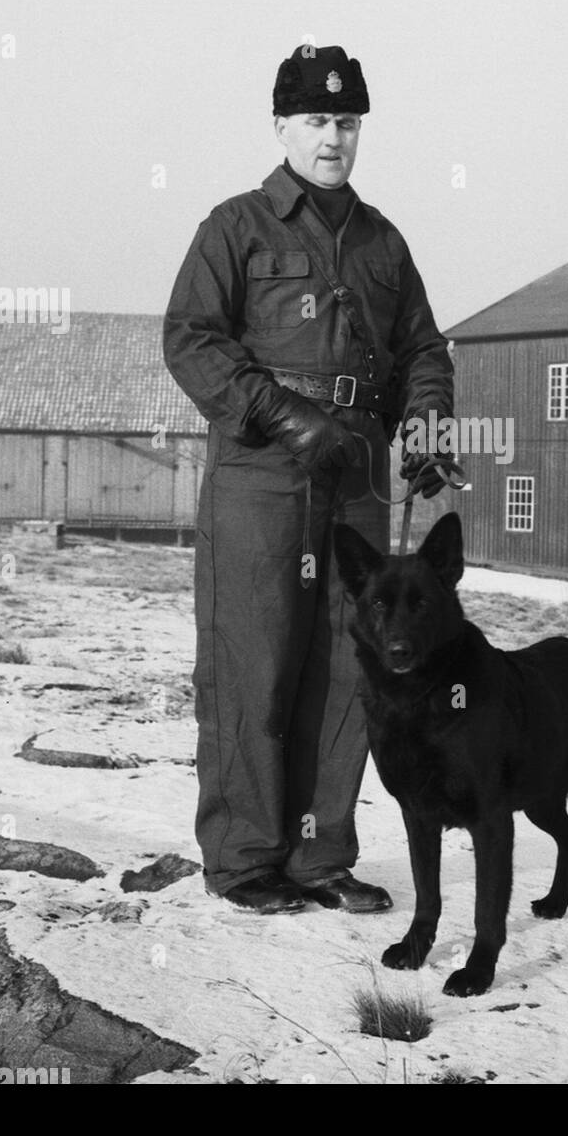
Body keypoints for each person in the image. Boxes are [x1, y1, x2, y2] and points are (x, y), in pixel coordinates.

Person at [163, 44, 454, 915]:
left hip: (357, 475)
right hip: (264, 474)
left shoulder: (381, 241)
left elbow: (422, 350)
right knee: (255, 662)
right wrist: (287, 416)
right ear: (282, 125)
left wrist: (428, 425)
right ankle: (247, 859)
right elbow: (191, 340)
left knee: (350, 666)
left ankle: (320, 855)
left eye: (349, 122)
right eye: (319, 121)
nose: (334, 139)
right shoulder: (236, 228)